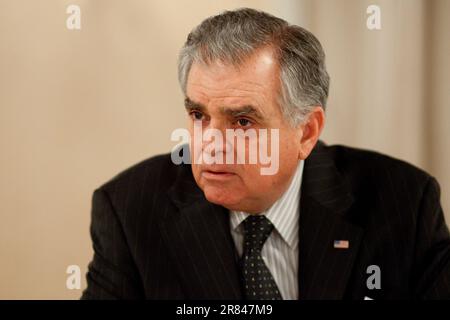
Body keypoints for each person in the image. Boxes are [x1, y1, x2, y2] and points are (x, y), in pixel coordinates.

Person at [81, 8, 450, 300]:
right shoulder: (130, 209)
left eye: (242, 122)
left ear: (306, 131)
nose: (211, 143)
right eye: (198, 115)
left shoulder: (404, 203)